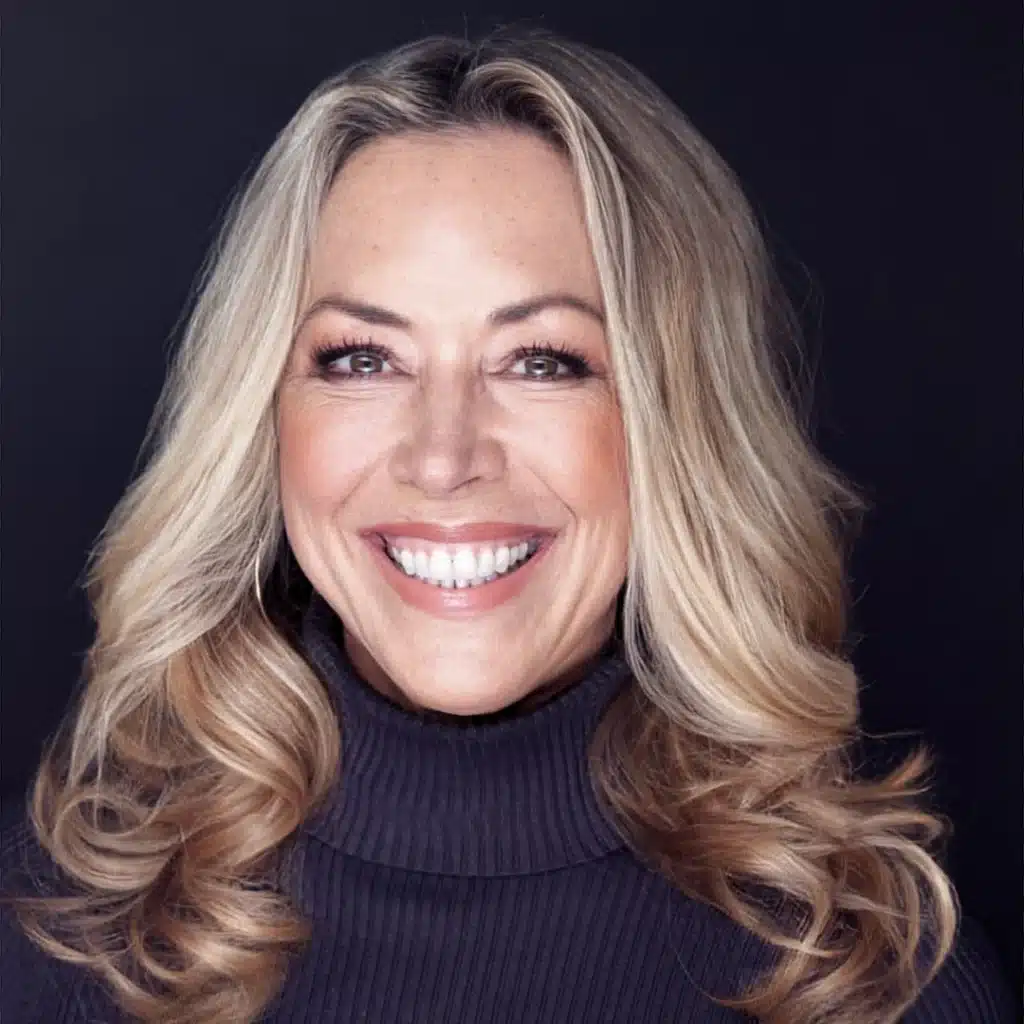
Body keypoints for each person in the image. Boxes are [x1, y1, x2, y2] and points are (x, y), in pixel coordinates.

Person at [0, 26, 1014, 1024]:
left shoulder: (864, 979)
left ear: (676, 422)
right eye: (361, 358)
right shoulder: (63, 932)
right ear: (262, 417)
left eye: (543, 360)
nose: (444, 456)